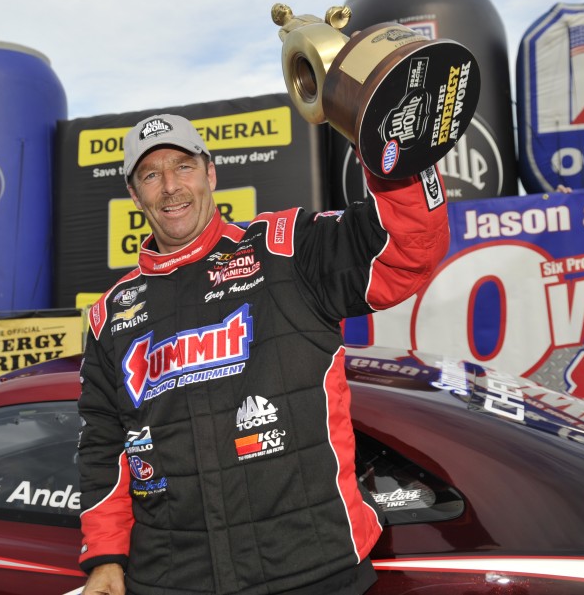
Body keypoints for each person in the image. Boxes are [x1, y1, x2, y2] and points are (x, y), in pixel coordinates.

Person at [78, 113, 450, 595]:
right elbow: (103, 446)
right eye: (151, 175)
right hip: (176, 581)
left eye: (183, 166)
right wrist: (105, 557)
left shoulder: (285, 248)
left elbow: (404, 250)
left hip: (315, 569)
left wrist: (394, 143)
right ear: (135, 195)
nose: (170, 186)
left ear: (210, 173)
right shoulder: (110, 315)